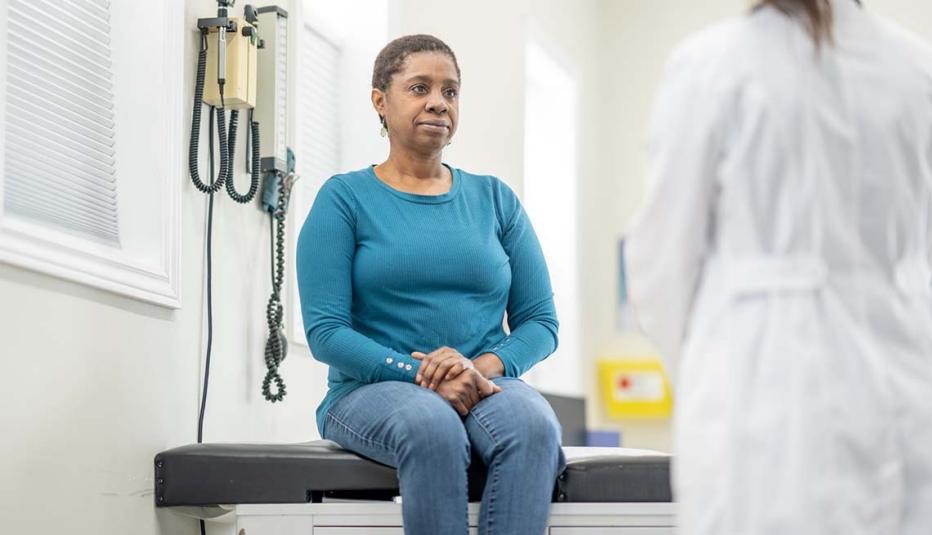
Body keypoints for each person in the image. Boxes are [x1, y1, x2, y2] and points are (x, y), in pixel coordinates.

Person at [625, 1, 932, 534]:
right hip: (902, 386)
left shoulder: (711, 65)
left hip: (762, 395)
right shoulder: (916, 69)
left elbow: (660, 265)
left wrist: (704, 365)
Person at [296, 34, 564, 535]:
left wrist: (476, 367)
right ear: (380, 100)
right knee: (431, 424)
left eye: (450, 91)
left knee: (534, 426)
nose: (438, 102)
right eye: (419, 87)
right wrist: (423, 376)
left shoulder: (495, 200)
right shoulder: (344, 199)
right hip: (372, 390)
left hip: (486, 382)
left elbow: (541, 323)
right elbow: (327, 332)